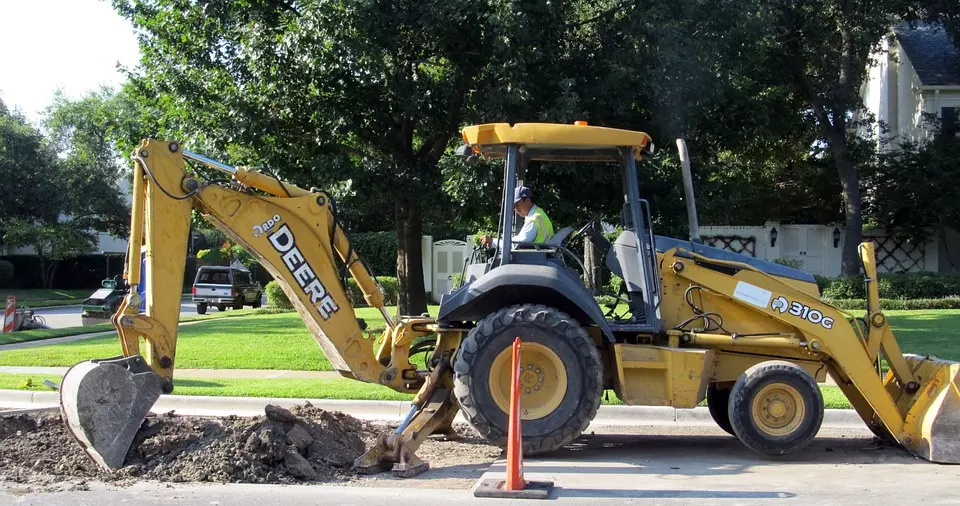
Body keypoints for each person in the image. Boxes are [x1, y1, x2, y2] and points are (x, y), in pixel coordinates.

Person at [480, 186, 554, 249]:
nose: (515, 209)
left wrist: (492, 241)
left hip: (535, 260)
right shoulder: (539, 213)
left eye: (517, 205)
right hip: (541, 257)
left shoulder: (534, 219)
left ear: (527, 201)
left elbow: (516, 245)